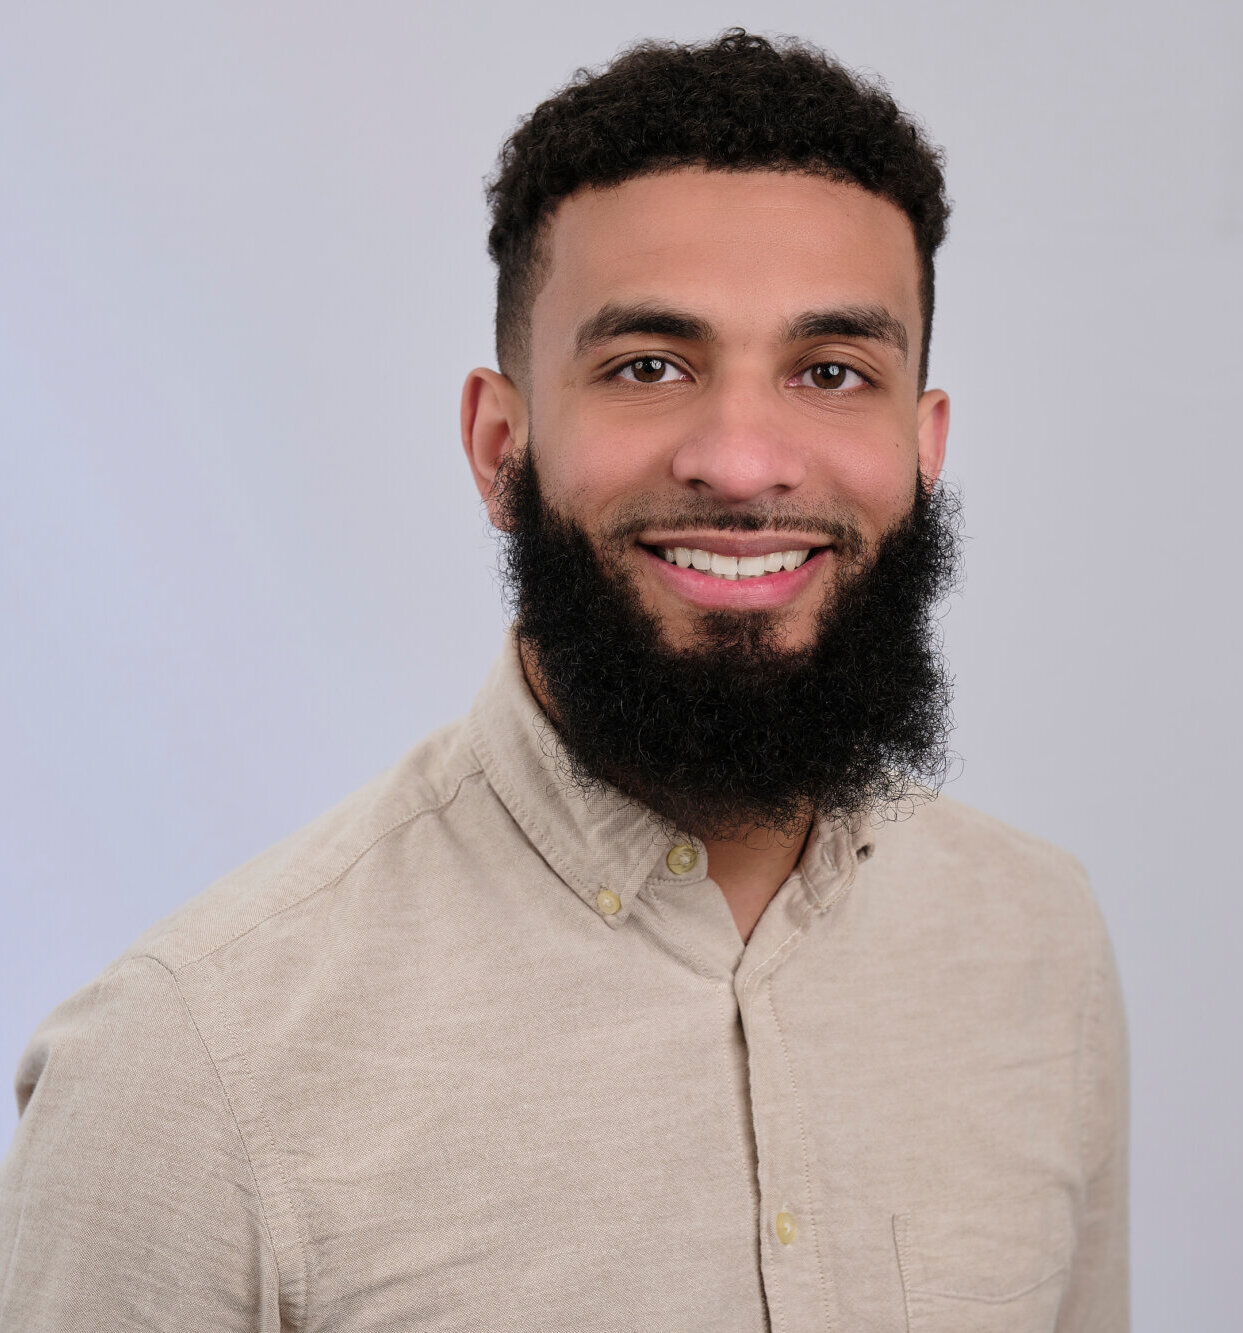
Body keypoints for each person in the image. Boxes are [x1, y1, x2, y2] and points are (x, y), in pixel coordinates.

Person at [0, 30, 1127, 1332]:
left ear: (923, 453)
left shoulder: (1041, 943)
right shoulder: (187, 1069)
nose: (742, 460)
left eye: (832, 373)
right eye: (649, 365)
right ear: (499, 446)